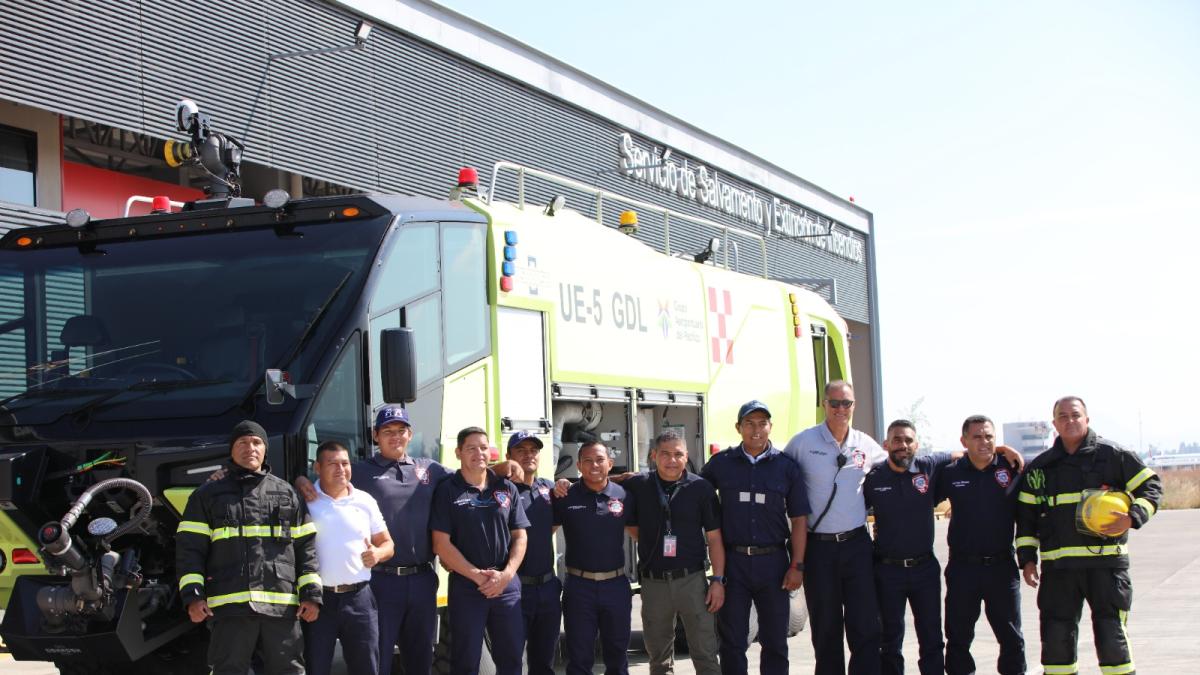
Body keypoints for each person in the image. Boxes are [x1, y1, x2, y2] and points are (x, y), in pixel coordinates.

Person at [1016, 396, 1162, 675]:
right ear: (1054, 423)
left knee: (1112, 640)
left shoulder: (1114, 455)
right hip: (1059, 570)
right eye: (1063, 416)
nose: (1070, 421)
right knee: (1056, 643)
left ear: (1087, 419)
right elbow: (1026, 518)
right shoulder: (1040, 468)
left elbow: (1151, 486)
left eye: (1075, 415)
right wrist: (1027, 560)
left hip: (1106, 568)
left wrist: (1133, 517)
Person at [176, 420, 321, 675]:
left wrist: (311, 595)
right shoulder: (207, 495)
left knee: (289, 670)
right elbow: (190, 550)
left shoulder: (287, 493)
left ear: (265, 450)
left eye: (256, 442)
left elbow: (306, 548)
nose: (250, 448)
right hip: (231, 608)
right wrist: (193, 596)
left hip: (282, 608)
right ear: (231, 450)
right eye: (242, 442)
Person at [783, 380, 884, 675]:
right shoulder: (803, 443)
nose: (841, 409)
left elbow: (902, 464)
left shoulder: (865, 445)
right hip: (819, 549)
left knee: (865, 625)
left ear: (854, 406)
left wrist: (990, 451)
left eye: (847, 403)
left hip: (856, 547)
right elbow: (775, 470)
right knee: (825, 628)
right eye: (835, 403)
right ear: (824, 404)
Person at [701, 400, 807, 675]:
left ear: (770, 427)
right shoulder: (721, 464)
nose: (756, 429)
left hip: (774, 564)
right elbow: (692, 491)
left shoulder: (787, 467)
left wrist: (797, 565)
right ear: (739, 428)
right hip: (733, 564)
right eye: (749, 423)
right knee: (733, 642)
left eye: (762, 423)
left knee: (774, 642)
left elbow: (799, 520)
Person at [625, 429, 725, 675]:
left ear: (686, 456)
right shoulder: (639, 485)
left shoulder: (701, 488)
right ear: (653, 455)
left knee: (705, 653)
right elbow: (603, 481)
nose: (672, 460)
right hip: (654, 583)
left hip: (692, 581)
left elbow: (714, 538)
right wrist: (563, 482)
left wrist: (718, 580)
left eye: (678, 454)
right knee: (658, 658)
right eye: (665, 454)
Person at [431, 427, 530, 675]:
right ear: (458, 453)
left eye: (484, 447)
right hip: (467, 587)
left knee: (512, 660)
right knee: (466, 662)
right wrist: (477, 575)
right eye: (471, 448)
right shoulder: (447, 490)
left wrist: (506, 575)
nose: (479, 453)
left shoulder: (506, 488)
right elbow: (441, 544)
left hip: (506, 586)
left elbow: (520, 536)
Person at [934, 415, 1026, 675]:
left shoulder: (1012, 468)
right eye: (977, 437)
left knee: (1011, 638)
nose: (984, 442)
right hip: (963, 568)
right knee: (958, 638)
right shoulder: (951, 474)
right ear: (964, 441)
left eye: (989, 437)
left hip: (1002, 568)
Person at [863, 420, 953, 675]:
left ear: (917, 444)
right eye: (897, 440)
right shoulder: (873, 478)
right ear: (886, 445)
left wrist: (1003, 450)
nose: (903, 445)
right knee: (890, 640)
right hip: (887, 571)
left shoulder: (929, 467)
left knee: (932, 638)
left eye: (908, 440)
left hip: (924, 569)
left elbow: (966, 451)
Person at [302, 440, 395, 675]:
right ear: (317, 467)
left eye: (345, 463)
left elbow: (388, 544)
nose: (340, 469)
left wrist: (378, 553)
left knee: (366, 668)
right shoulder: (304, 500)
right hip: (318, 601)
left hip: (360, 599)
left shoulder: (365, 501)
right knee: (315, 667)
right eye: (332, 463)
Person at [553, 440, 635, 675]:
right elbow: (541, 534)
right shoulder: (565, 495)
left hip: (616, 586)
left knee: (617, 657)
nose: (594, 465)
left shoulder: (625, 496)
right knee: (579, 657)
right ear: (578, 465)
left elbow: (641, 535)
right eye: (587, 461)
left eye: (600, 460)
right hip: (579, 587)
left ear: (610, 463)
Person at [506, 430, 561, 675]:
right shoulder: (502, 492)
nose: (529, 455)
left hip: (548, 588)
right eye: (521, 450)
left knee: (544, 662)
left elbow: (552, 525)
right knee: (511, 660)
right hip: (516, 589)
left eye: (533, 450)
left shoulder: (548, 489)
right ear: (509, 456)